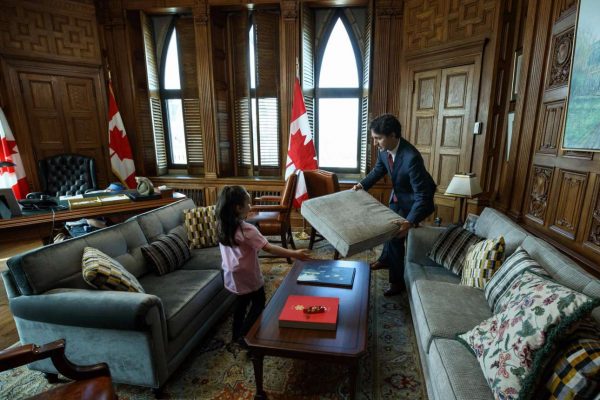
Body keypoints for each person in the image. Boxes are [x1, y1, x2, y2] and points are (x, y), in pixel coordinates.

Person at [216, 185, 311, 348]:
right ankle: (246, 336)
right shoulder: (247, 230)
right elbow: (269, 248)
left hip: (230, 274)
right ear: (238, 208)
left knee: (240, 304)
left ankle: (236, 334)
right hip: (247, 275)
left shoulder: (221, 225)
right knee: (259, 302)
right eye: (248, 203)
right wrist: (295, 254)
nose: (250, 206)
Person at [353, 114, 436, 296]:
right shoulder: (384, 150)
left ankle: (397, 283)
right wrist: (362, 185)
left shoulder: (411, 157)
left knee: (397, 237)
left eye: (378, 138)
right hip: (398, 196)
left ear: (393, 135)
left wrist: (409, 221)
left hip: (416, 201)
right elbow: (378, 170)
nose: (375, 143)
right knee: (388, 230)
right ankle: (385, 259)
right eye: (374, 138)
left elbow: (422, 196)